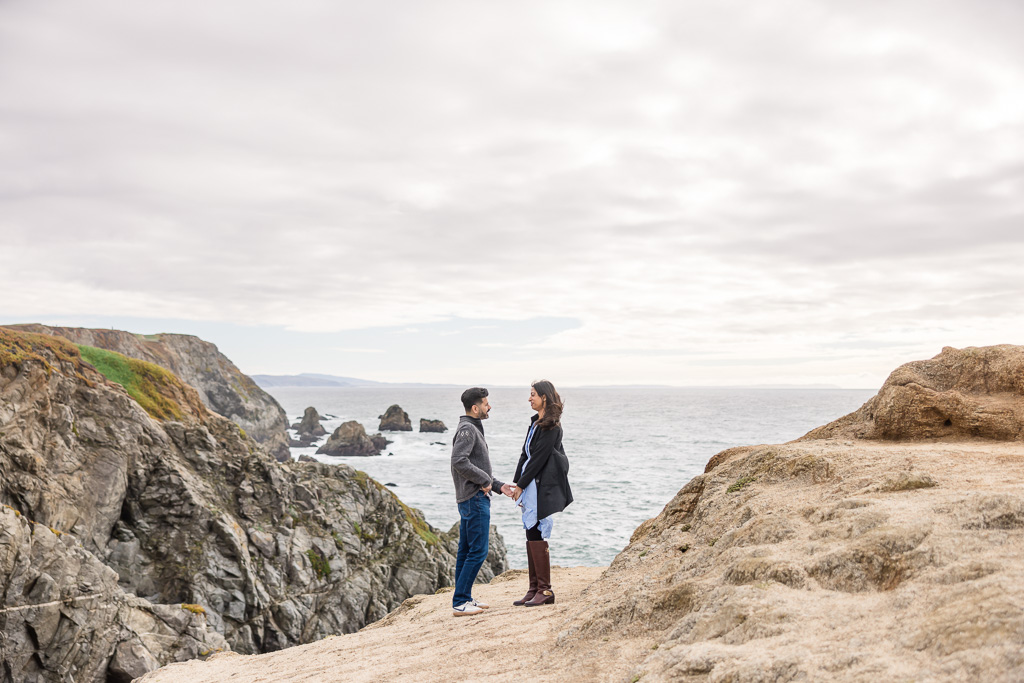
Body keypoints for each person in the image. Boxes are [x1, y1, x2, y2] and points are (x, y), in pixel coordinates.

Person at [450, 387, 513, 617]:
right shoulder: (468, 429)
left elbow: (475, 465)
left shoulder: (471, 427)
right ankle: (460, 602)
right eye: (486, 404)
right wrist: (485, 480)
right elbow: (459, 460)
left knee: (466, 551)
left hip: (472, 497)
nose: (489, 407)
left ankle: (463, 597)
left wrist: (498, 485)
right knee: (478, 552)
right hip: (474, 499)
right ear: (475, 408)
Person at [510, 380, 573, 607]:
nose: (530, 398)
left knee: (537, 531)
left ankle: (545, 590)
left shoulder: (551, 426)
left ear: (544, 397)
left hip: (541, 487)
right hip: (530, 486)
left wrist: (521, 486)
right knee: (530, 531)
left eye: (533, 394)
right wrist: (517, 482)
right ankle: (534, 588)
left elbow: (538, 459)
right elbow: (524, 455)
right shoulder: (535, 423)